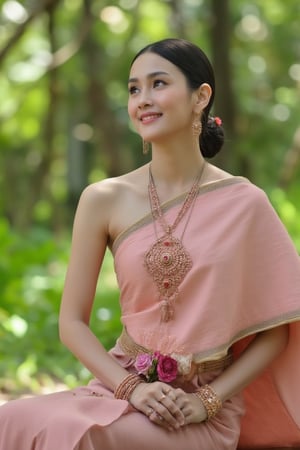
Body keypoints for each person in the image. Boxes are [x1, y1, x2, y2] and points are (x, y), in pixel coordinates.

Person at [0, 38, 300, 450]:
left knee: (83, 438)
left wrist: (205, 403)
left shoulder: (245, 203)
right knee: (10, 421)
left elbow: (275, 335)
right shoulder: (103, 199)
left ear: (201, 97)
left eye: (158, 83)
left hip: (198, 409)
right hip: (120, 388)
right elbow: (71, 323)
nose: (143, 99)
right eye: (134, 89)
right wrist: (132, 388)